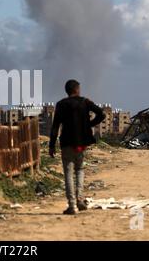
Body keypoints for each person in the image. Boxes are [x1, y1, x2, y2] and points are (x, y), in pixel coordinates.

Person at [49, 79, 105, 215]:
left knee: (68, 172)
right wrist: (89, 124)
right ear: (77, 89)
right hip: (81, 142)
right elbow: (101, 114)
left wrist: (52, 145)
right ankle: (80, 200)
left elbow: (55, 126)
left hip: (66, 142)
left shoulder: (61, 104)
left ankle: (72, 205)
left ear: (67, 91)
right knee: (79, 170)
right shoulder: (85, 102)